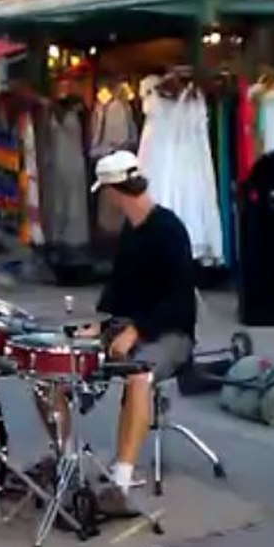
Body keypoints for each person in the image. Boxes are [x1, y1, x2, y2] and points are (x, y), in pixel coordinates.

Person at [77, 150, 197, 512]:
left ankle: (122, 482)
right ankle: (65, 459)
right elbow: (119, 290)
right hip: (133, 327)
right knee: (58, 359)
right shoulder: (131, 232)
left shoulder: (169, 230)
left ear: (115, 192)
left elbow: (179, 300)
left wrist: (138, 330)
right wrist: (101, 324)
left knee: (139, 375)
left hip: (171, 334)